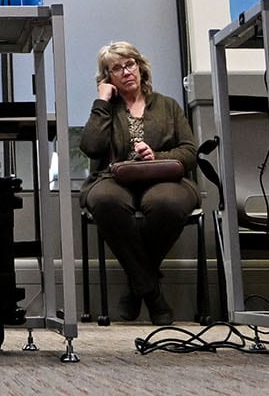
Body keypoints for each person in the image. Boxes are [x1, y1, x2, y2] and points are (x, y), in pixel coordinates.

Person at [80, 40, 196, 324]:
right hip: (112, 179)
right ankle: (153, 295)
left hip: (164, 179)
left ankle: (136, 289)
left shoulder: (168, 105)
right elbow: (91, 147)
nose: (125, 72)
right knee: (106, 201)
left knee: (166, 203)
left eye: (129, 64)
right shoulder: (107, 108)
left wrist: (156, 155)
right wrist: (101, 103)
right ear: (108, 78)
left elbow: (190, 152)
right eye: (116, 69)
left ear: (140, 67)